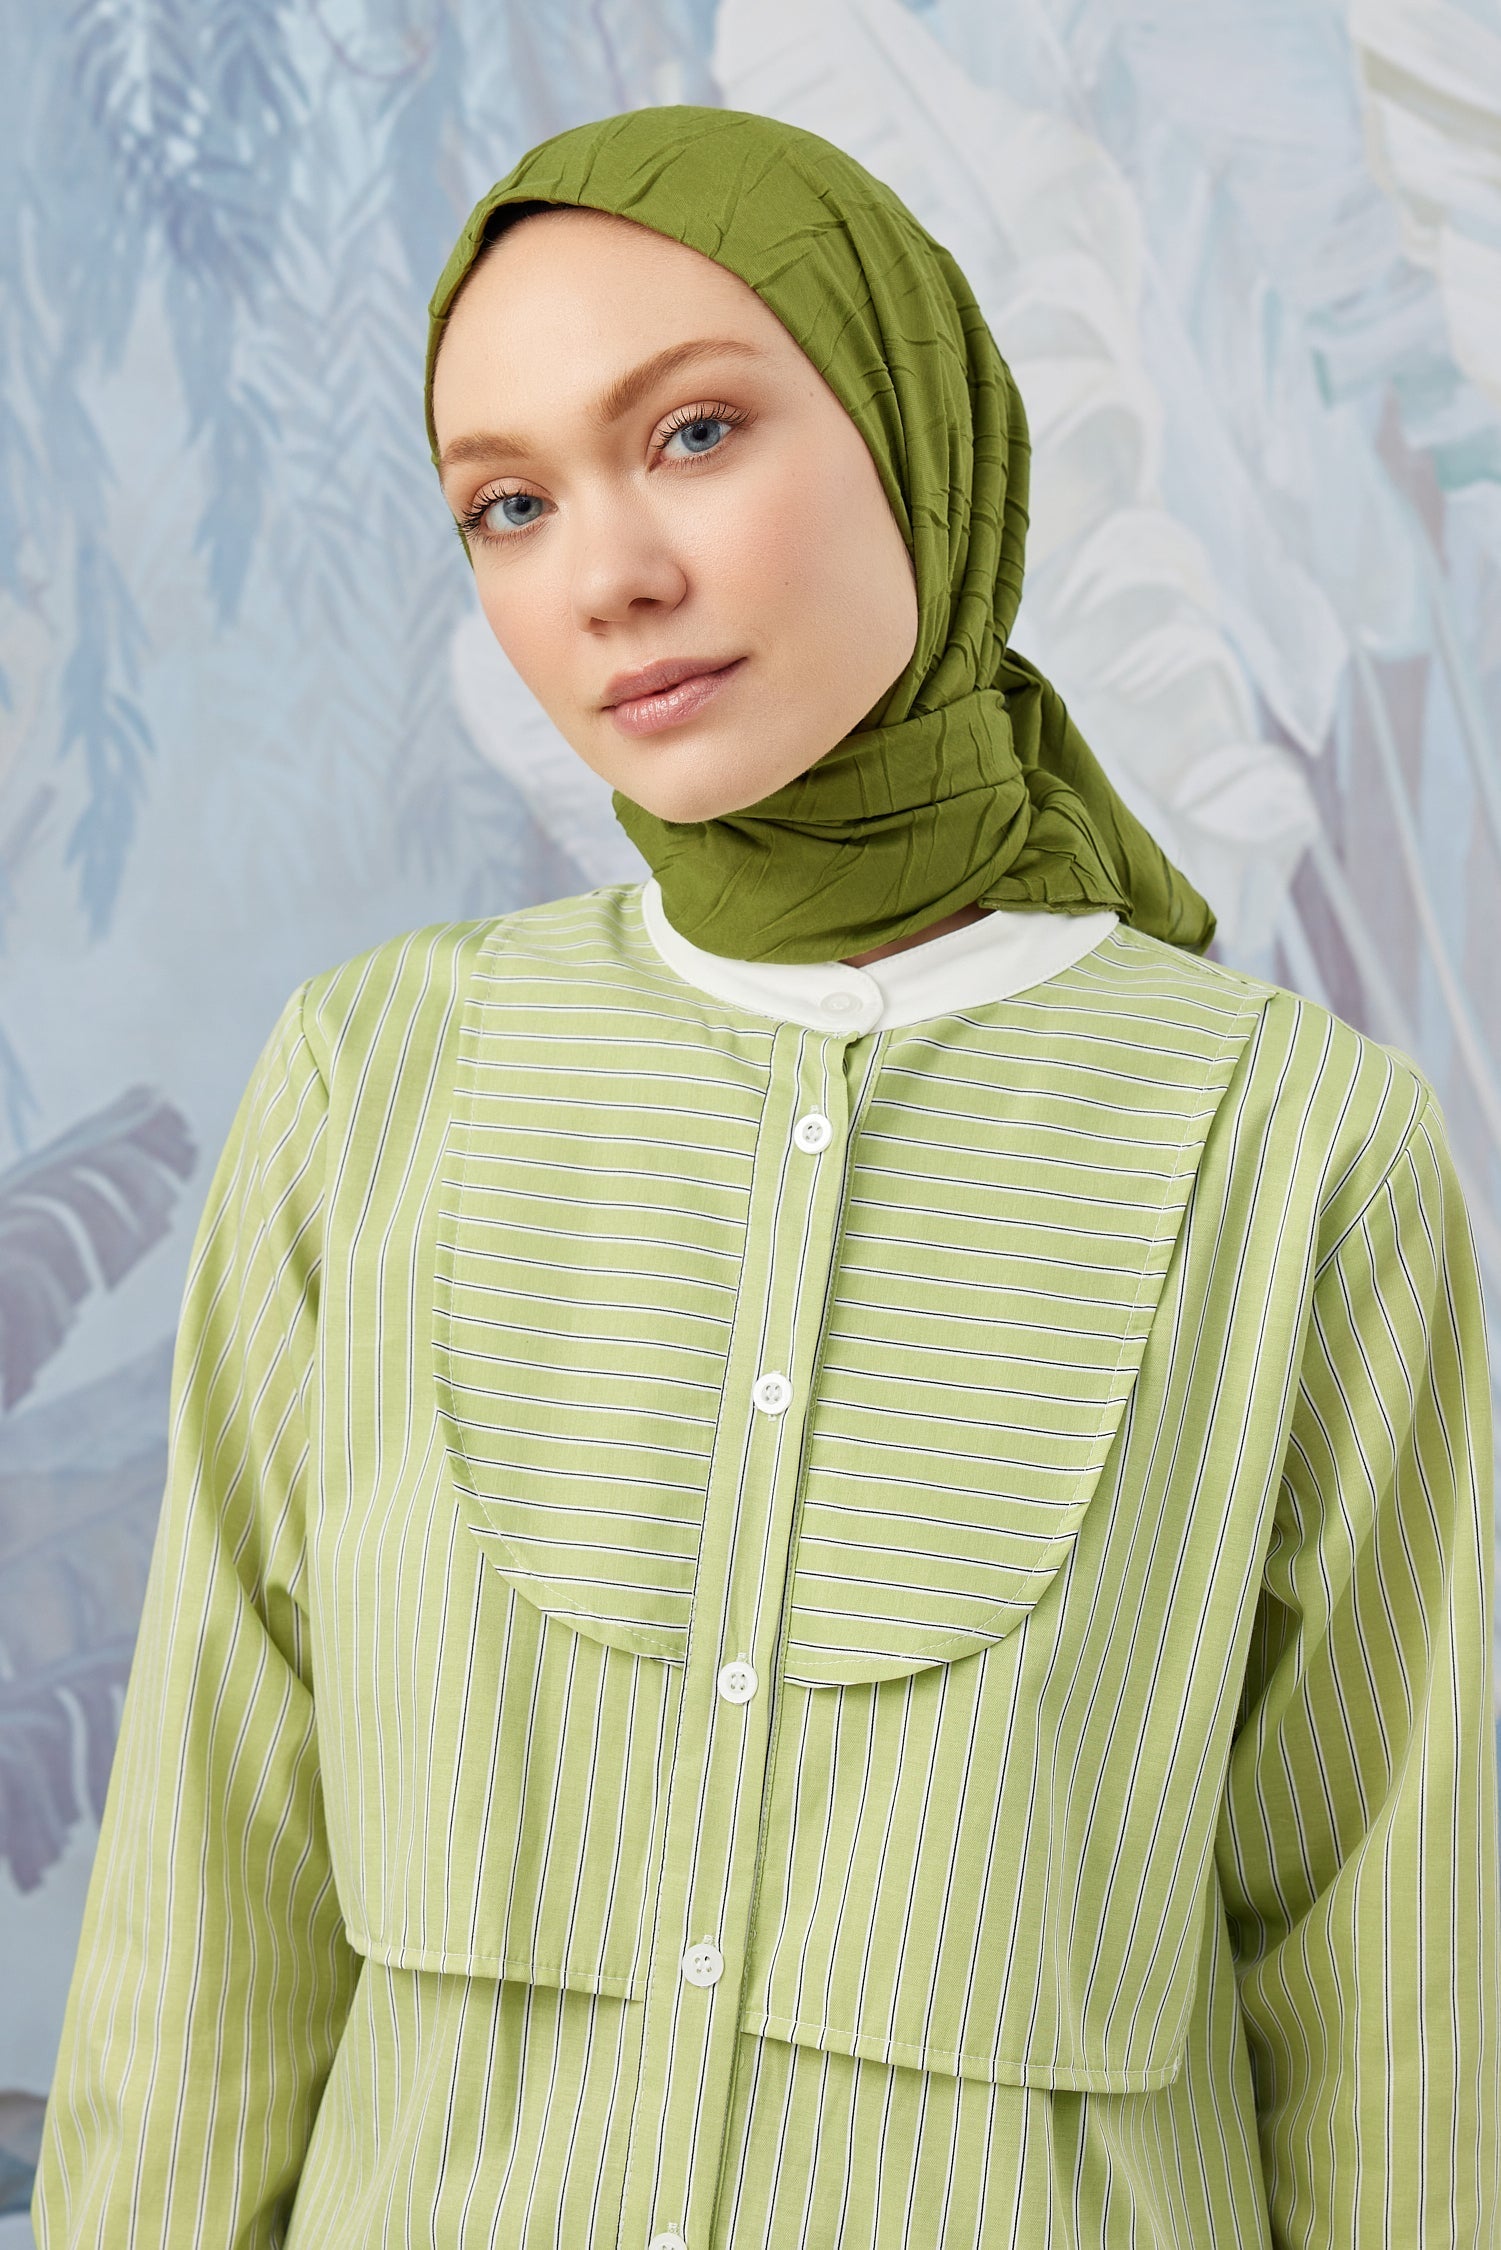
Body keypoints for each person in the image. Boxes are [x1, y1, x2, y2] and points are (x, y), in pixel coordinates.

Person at [33, 103, 1500, 2250]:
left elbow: (1398, 2007)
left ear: (913, 427)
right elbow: (210, 1907)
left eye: (696, 433)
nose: (607, 573)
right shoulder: (371, 1089)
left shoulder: (1293, 1154)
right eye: (509, 503)